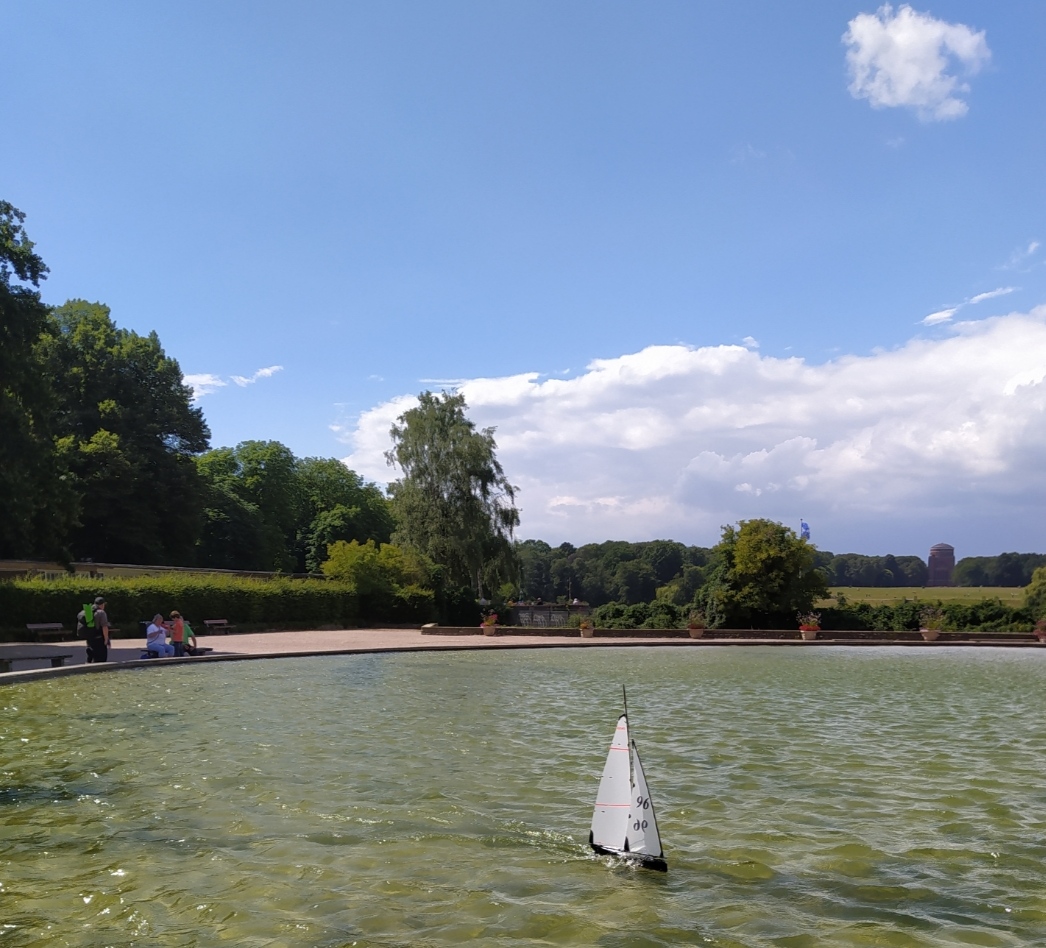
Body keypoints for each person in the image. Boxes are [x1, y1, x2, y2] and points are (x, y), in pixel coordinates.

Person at [78, 596, 110, 663]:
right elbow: (104, 627)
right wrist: (106, 639)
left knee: (90, 658)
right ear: (102, 604)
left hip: (89, 638)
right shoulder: (101, 612)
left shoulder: (87, 611)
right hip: (99, 639)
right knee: (101, 660)